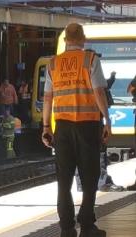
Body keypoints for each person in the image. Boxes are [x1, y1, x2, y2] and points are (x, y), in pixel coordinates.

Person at [42, 23, 111, 237]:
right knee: (90, 176)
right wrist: (107, 120)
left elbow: (47, 98)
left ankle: (66, 228)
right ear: (83, 39)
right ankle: (87, 225)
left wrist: (46, 127)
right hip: (88, 125)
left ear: (65, 40)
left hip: (62, 127)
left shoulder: (53, 64)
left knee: (64, 180)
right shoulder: (90, 60)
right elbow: (98, 92)